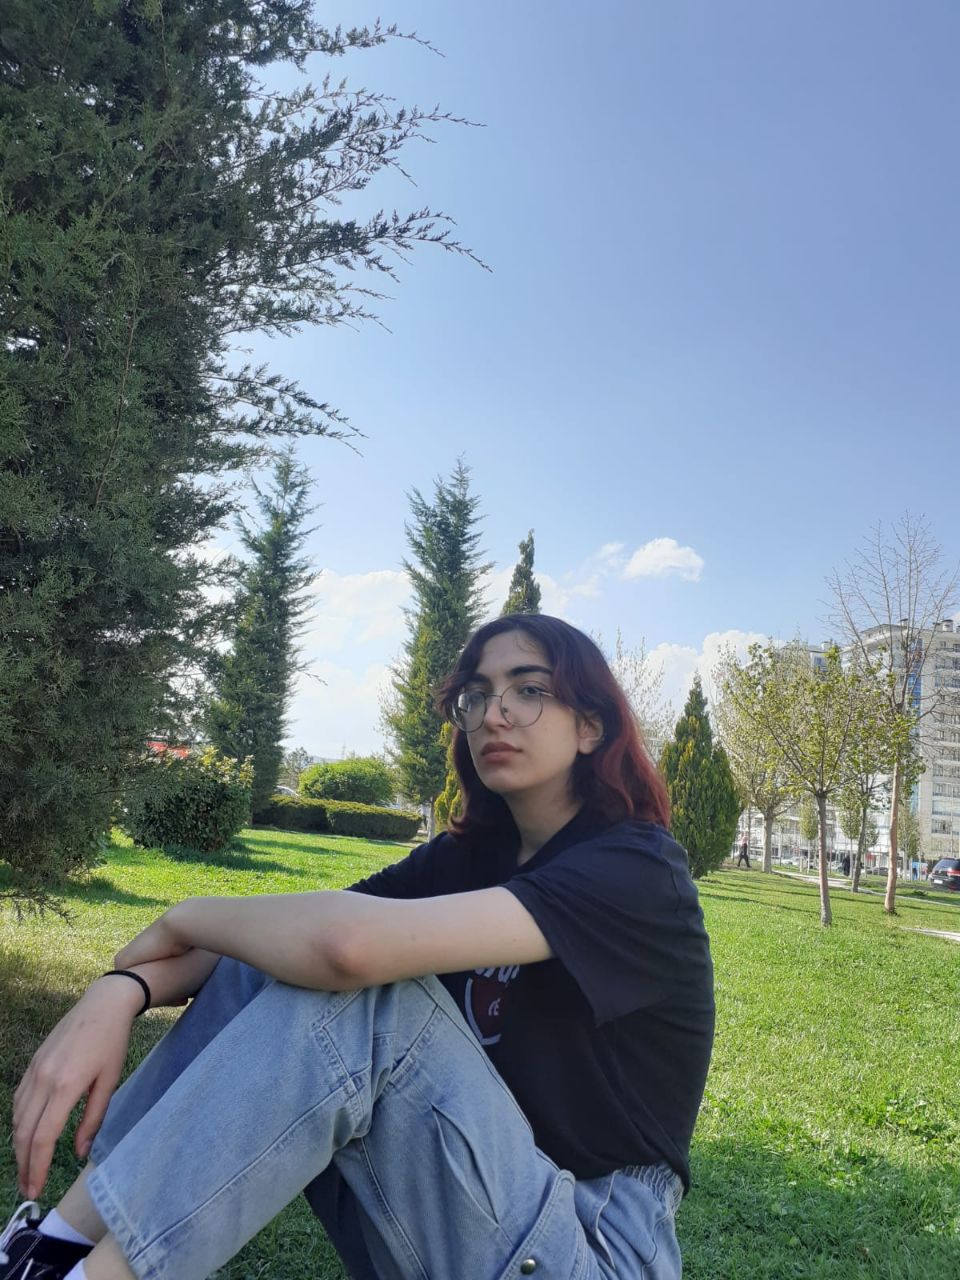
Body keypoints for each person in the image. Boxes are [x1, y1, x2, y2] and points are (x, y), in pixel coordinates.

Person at [3, 615, 715, 1280]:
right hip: (463, 1205)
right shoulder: (470, 859)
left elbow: (345, 948)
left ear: (590, 726)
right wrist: (122, 989)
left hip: (592, 1244)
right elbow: (283, 945)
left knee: (363, 994)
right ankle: (49, 1249)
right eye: (475, 695)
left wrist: (183, 916)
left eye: (529, 691)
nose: (493, 714)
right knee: (282, 958)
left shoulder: (637, 870)